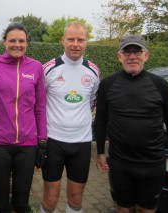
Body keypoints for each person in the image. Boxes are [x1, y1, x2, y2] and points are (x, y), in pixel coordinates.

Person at [94, 35, 168, 213]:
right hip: (120, 163)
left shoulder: (161, 86)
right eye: (127, 52)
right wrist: (100, 152)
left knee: (146, 210)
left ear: (146, 55)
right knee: (122, 208)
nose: (132, 56)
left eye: (137, 51)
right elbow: (101, 121)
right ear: (119, 57)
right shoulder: (107, 85)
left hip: (152, 164)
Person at [0, 22, 47, 213]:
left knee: (22, 204)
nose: (17, 44)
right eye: (12, 40)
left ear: (27, 43)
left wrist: (43, 142)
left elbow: (40, 107)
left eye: (21, 41)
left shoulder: (36, 67)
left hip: (27, 144)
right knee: (0, 204)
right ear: (4, 42)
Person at [40, 21, 100, 213]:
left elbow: (91, 102)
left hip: (81, 143)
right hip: (54, 141)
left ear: (87, 42)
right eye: (71, 39)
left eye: (80, 39)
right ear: (63, 41)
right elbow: (39, 103)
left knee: (76, 197)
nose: (75, 43)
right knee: (50, 198)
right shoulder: (48, 68)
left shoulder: (93, 71)